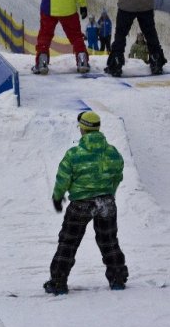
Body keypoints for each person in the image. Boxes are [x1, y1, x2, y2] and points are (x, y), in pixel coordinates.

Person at [44, 110, 129, 295]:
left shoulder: (74, 154)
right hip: (106, 203)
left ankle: (58, 283)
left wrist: (57, 197)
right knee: (109, 242)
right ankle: (117, 279)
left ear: (82, 129)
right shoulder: (113, 153)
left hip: (80, 205)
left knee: (68, 243)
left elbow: (63, 178)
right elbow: (117, 177)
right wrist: (108, 194)